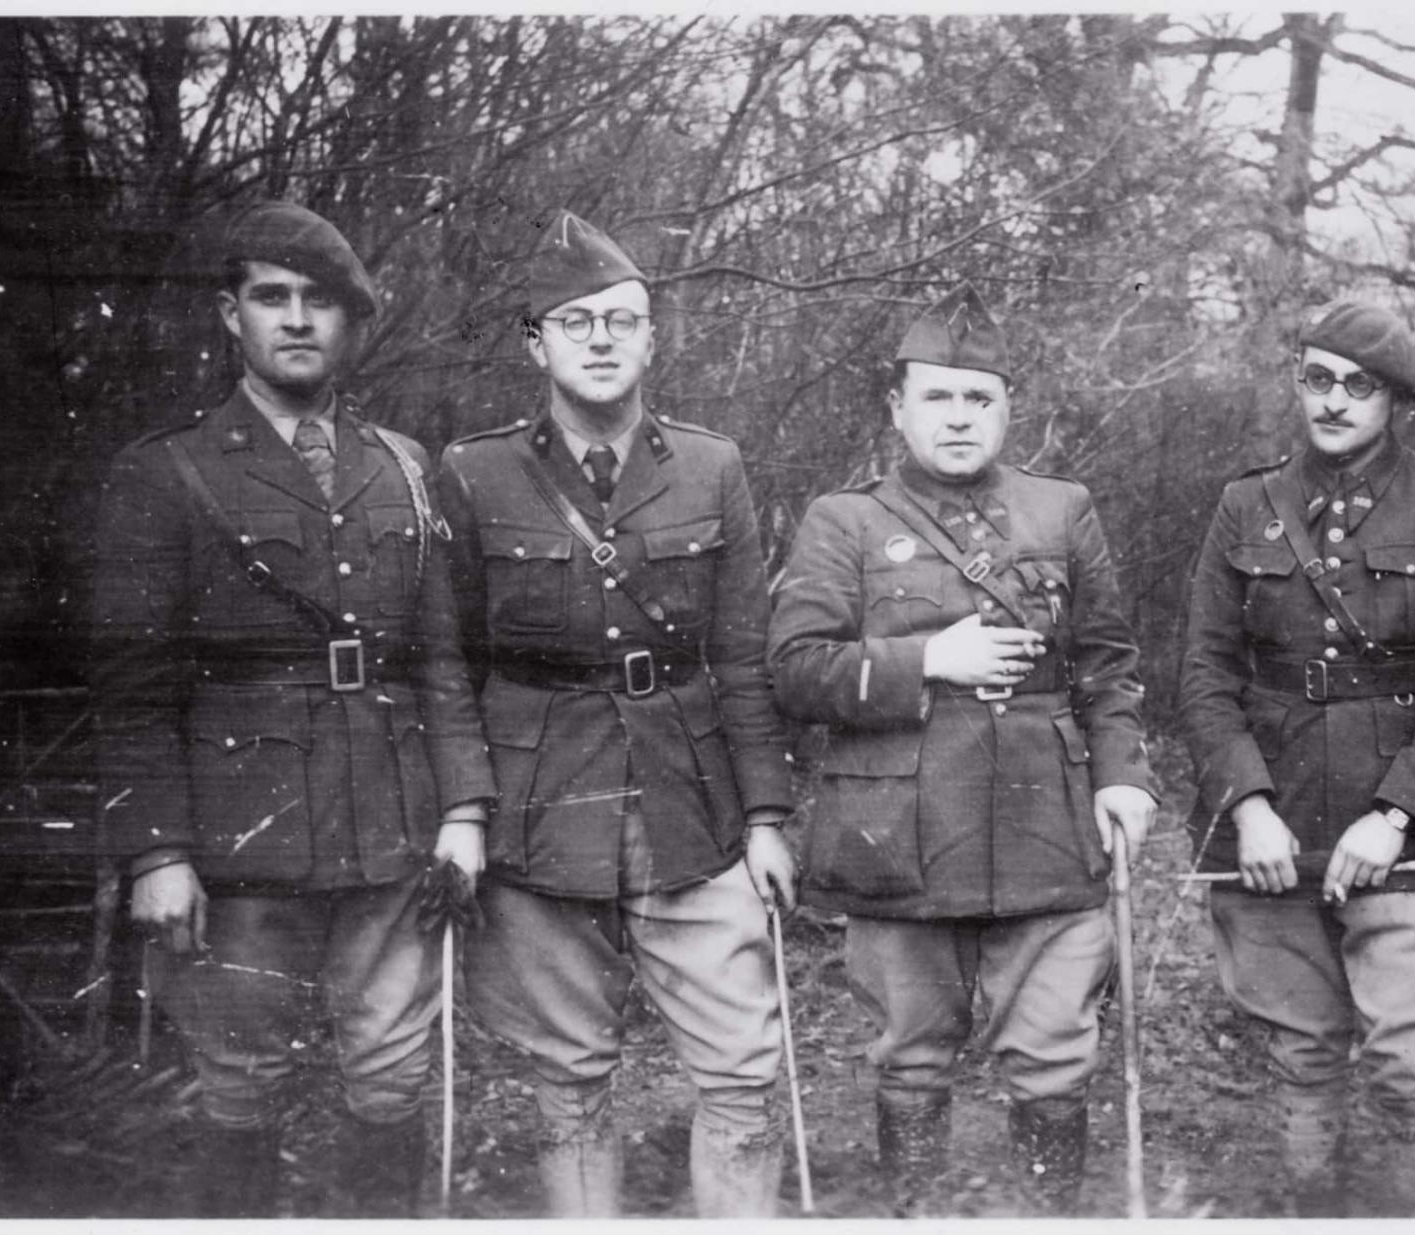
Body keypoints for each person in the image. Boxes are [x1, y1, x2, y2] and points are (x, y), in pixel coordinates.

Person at [90, 200, 495, 1217]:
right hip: (239, 845)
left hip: (395, 830)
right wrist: (156, 853)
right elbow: (134, 690)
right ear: (232, 315)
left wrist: (466, 812)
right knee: (241, 1081)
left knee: (392, 1072)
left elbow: (442, 658)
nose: (299, 319)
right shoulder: (164, 473)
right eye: (274, 297)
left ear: (351, 323)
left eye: (322, 301)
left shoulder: (402, 465)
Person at [766, 284, 1159, 1214]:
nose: (957, 416)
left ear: (1007, 407)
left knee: (1056, 1050)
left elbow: (1109, 663)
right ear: (897, 406)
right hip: (899, 831)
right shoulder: (844, 521)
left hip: (1045, 823)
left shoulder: (1062, 510)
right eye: (936, 396)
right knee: (910, 1053)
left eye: (978, 397)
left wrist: (1125, 779)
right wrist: (930, 658)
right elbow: (793, 670)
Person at [436, 211, 796, 1218]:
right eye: (576, 319)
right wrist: (465, 809)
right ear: (534, 341)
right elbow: (444, 661)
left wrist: (767, 817)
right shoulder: (473, 472)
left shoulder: (714, 465)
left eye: (622, 320)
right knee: (570, 1074)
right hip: (537, 805)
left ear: (651, 338)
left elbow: (743, 656)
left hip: (696, 807)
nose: (599, 338)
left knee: (740, 1070)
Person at [1177, 301, 1415, 1216]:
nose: (1333, 401)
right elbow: (1205, 673)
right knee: (1303, 1060)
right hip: (1276, 818)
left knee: (1408, 1067)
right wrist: (1246, 804)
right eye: (1317, 377)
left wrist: (1400, 813)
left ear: (1396, 398)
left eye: (1359, 385)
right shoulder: (1245, 503)